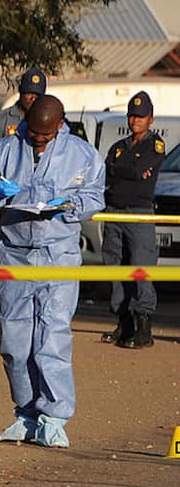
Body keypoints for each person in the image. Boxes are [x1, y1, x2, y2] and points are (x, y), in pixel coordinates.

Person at [0, 95, 105, 448]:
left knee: (52, 336)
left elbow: (95, 197)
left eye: (45, 134)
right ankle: (26, 414)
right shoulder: (7, 148)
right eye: (34, 132)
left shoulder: (82, 154)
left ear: (60, 125)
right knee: (14, 341)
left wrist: (72, 205)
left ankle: (54, 416)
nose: (38, 139)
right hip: (14, 254)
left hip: (58, 254)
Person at [0, 67, 47, 339]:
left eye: (37, 94)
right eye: (28, 92)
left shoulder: (50, 122)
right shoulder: (4, 119)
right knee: (2, 257)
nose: (32, 98)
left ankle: (31, 316)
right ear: (21, 92)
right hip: (7, 205)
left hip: (38, 207)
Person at [100, 91, 164, 349]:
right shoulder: (119, 147)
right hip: (114, 211)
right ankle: (123, 322)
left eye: (141, 116)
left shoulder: (154, 145)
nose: (135, 120)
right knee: (115, 266)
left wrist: (123, 169)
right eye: (132, 115)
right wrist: (129, 170)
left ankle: (143, 327)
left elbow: (139, 171)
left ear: (150, 119)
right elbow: (109, 172)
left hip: (138, 212)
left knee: (140, 267)